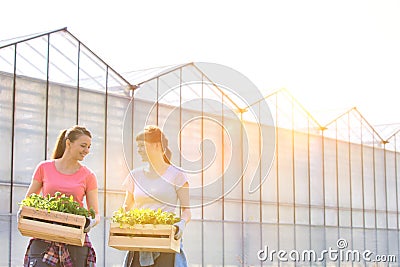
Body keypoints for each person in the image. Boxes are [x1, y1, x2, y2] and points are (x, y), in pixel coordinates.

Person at [20, 125, 100, 267]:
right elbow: (29, 201)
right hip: (43, 238)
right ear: (68, 143)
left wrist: (88, 223)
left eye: (89, 147)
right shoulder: (44, 168)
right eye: (83, 146)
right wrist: (23, 213)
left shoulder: (89, 176)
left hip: (74, 240)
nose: (86, 151)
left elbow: (95, 214)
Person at [122, 125, 191, 267]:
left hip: (165, 240)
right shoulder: (135, 175)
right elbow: (127, 205)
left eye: (142, 146)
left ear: (157, 145)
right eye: (138, 146)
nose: (138, 150)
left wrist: (181, 224)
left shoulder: (177, 175)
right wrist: (128, 220)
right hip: (140, 241)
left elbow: (186, 210)